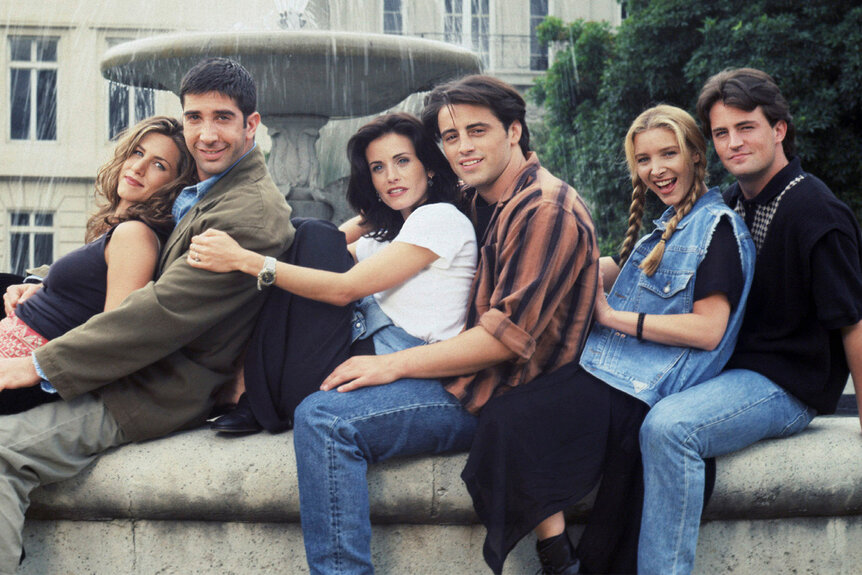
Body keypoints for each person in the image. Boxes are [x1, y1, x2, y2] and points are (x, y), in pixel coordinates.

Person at [290, 74, 600, 574]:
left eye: (477, 131)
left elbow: (502, 344)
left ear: (515, 130)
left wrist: (391, 366)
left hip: (498, 394)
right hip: (469, 377)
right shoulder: (484, 196)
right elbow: (401, 204)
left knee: (326, 420)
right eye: (451, 137)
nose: (462, 148)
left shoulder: (543, 208)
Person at [0, 57, 293, 571]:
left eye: (223, 118)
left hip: (151, 388)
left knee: (4, 451)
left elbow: (160, 312)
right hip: (131, 369)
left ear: (252, 125)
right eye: (195, 117)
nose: (206, 134)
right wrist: (39, 282)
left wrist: (36, 366)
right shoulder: (205, 190)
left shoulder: (247, 211)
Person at [462, 104, 756, 575]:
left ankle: (558, 560)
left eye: (668, 154)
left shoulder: (716, 228)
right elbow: (627, 275)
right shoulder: (664, 227)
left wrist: (613, 317)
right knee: (505, 401)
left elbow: (708, 329)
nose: (656, 170)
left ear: (696, 157)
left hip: (638, 391)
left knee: (506, 418)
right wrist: (574, 266)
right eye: (644, 160)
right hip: (611, 372)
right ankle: (563, 558)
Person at [637, 68, 862, 575]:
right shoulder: (734, 203)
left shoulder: (816, 211)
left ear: (778, 129)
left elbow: (854, 323)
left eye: (746, 127)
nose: (733, 143)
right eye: (721, 133)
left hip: (787, 383)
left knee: (669, 429)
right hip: (732, 369)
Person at [186, 112, 477, 434]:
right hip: (348, 361)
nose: (391, 176)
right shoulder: (393, 234)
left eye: (403, 161)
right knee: (305, 235)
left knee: (312, 232)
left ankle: (249, 394)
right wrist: (375, 215)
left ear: (430, 166)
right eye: (377, 168)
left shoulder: (440, 218)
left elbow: (343, 288)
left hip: (390, 364)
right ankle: (252, 394)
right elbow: (320, 254)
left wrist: (245, 260)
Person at [0, 115, 196, 415]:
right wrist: (36, 286)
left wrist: (31, 366)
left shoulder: (135, 235)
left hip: (24, 373)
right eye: (138, 152)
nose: (138, 167)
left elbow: (113, 334)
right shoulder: (117, 227)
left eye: (159, 165)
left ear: (175, 185)